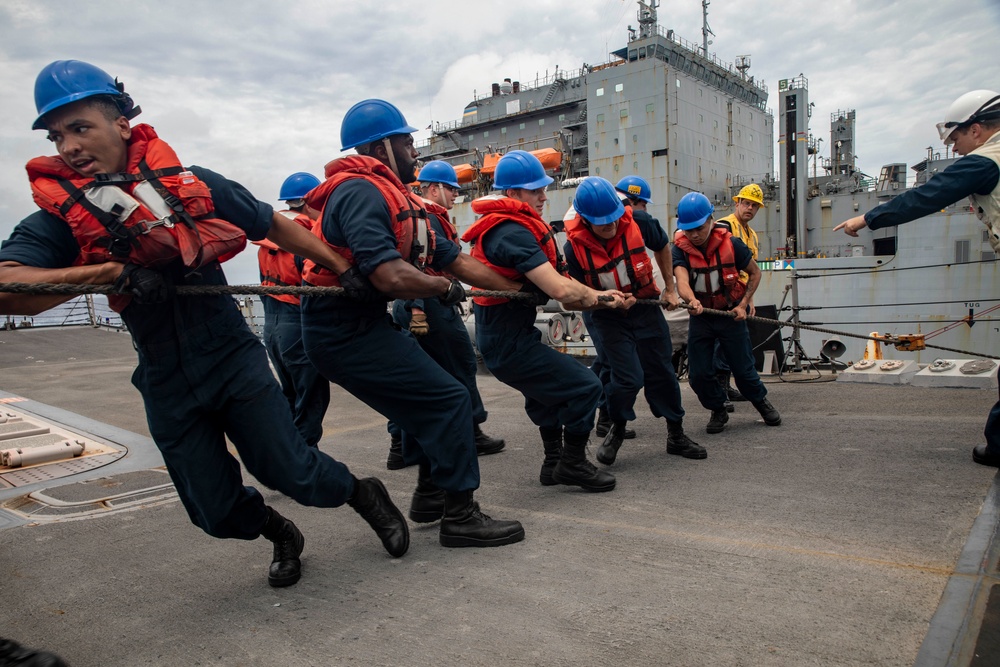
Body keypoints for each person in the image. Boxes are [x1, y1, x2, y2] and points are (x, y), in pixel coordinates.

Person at [0, 60, 410, 589]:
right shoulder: (62, 216)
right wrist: (107, 271)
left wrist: (342, 268)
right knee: (212, 512)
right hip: (164, 373)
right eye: (57, 136)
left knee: (291, 470)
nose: (69, 146)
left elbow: (271, 224)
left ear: (122, 124)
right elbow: (9, 288)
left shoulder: (188, 185)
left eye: (81, 127)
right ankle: (279, 532)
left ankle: (361, 493)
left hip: (229, 356)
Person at [299, 99, 525, 548]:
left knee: (428, 402)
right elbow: (388, 274)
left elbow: (455, 260)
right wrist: (440, 289)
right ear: (380, 149)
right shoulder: (360, 191)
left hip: (359, 324)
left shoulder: (399, 199)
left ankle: (428, 497)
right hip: (340, 330)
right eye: (406, 141)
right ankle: (460, 515)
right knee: (448, 399)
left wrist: (521, 290)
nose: (414, 150)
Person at [834, 89, 1000, 468]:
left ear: (976, 129)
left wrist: (868, 218)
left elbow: (929, 194)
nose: (954, 149)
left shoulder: (985, 161)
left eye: (955, 139)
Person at [461, 150, 630, 492]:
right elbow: (559, 289)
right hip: (507, 342)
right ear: (512, 194)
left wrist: (602, 296)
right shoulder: (511, 232)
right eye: (534, 189)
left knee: (546, 395)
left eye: (543, 188)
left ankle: (553, 462)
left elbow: (562, 282)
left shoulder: (513, 227)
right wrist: (600, 298)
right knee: (586, 386)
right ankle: (573, 463)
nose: (543, 195)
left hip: (509, 337)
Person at [564, 177, 704, 465]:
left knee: (663, 372)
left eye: (614, 218)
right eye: (602, 222)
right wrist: (604, 299)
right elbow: (570, 298)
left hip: (645, 309)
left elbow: (663, 246)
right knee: (627, 378)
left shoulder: (639, 222)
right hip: (607, 316)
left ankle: (676, 434)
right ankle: (617, 427)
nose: (611, 225)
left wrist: (668, 287)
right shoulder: (573, 249)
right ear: (585, 220)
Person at [385, 160, 505, 469]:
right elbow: (416, 264)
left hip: (415, 303)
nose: (456, 196)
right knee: (462, 365)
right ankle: (472, 432)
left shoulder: (414, 215)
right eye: (452, 189)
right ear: (434, 188)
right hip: (430, 305)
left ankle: (399, 444)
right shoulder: (429, 219)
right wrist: (418, 310)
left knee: (417, 377)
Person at [671, 192, 781, 433]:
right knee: (698, 375)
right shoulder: (679, 249)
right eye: (688, 230)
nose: (694, 235)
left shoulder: (732, 244)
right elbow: (681, 281)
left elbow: (755, 273)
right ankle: (718, 408)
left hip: (731, 314)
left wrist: (743, 304)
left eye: (699, 228)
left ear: (710, 220)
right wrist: (690, 300)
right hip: (701, 316)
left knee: (743, 369)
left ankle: (761, 402)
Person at [254, 172, 330, 448]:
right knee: (311, 399)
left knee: (290, 396)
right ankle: (305, 463)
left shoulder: (269, 236)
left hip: (272, 329)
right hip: (296, 325)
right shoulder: (304, 236)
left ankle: (289, 456)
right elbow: (314, 286)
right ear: (309, 201)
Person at [712, 183, 764, 409]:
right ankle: (719, 391)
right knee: (719, 343)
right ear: (737, 203)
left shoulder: (752, 234)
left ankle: (725, 386)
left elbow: (750, 269)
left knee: (731, 344)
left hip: (738, 294)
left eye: (754, 206)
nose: (749, 208)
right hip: (722, 292)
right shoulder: (724, 225)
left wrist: (748, 298)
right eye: (746, 203)